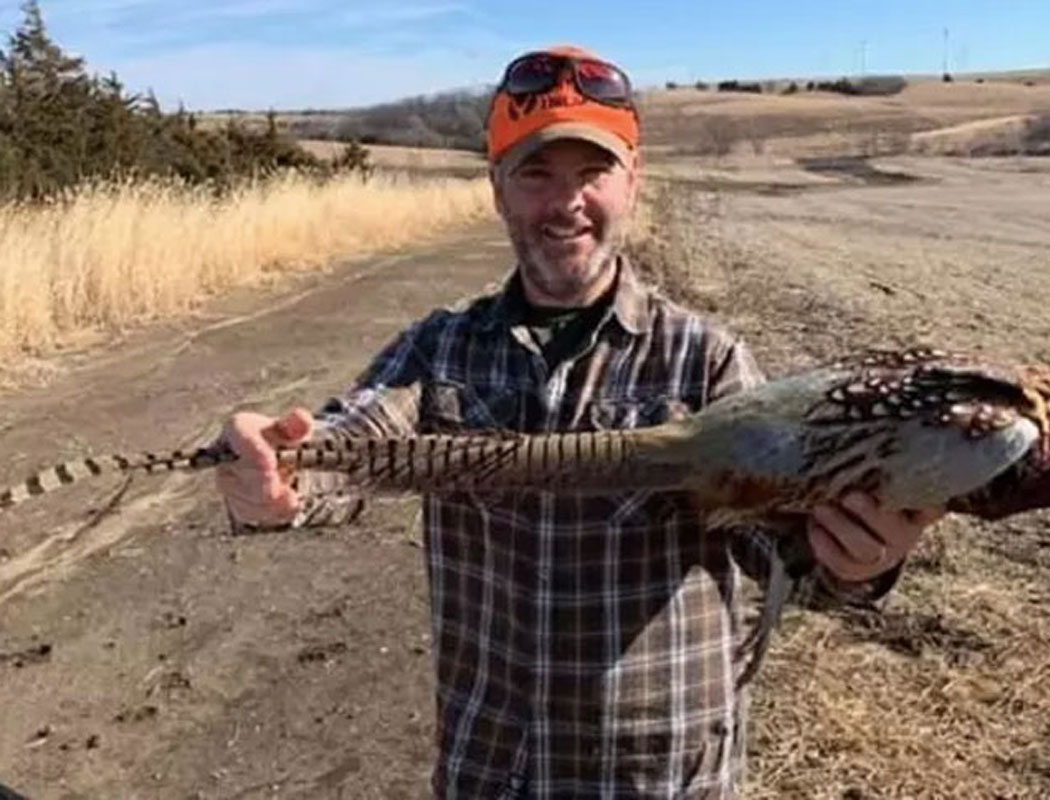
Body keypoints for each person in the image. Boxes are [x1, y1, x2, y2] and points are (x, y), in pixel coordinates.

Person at [215, 45, 941, 799]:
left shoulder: (707, 364)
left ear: (633, 183)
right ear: (497, 188)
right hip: (492, 769)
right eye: (536, 174)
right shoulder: (442, 349)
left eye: (591, 173)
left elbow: (791, 553)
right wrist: (281, 474)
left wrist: (859, 562)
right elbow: (358, 442)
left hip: (660, 778)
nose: (566, 203)